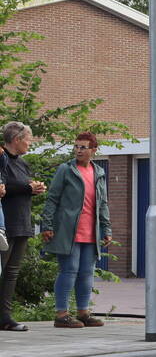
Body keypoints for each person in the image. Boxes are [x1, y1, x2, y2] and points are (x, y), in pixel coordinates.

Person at [40, 133, 112, 328]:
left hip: (91, 231)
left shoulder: (99, 172)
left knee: (87, 273)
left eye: (83, 147)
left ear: (93, 150)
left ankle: (83, 313)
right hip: (68, 231)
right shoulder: (66, 169)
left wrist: (106, 228)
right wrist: (47, 225)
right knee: (69, 270)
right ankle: (61, 314)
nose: (78, 150)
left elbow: (103, 204)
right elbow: (52, 198)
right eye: (76, 147)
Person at [0, 122, 48, 331]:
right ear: (17, 139)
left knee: (12, 272)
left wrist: (35, 188)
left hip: (22, 223)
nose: (30, 143)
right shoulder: (2, 159)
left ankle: (5, 317)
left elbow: (22, 186)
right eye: (28, 140)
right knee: (1, 269)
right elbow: (4, 187)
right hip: (5, 224)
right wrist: (27, 187)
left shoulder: (23, 163)